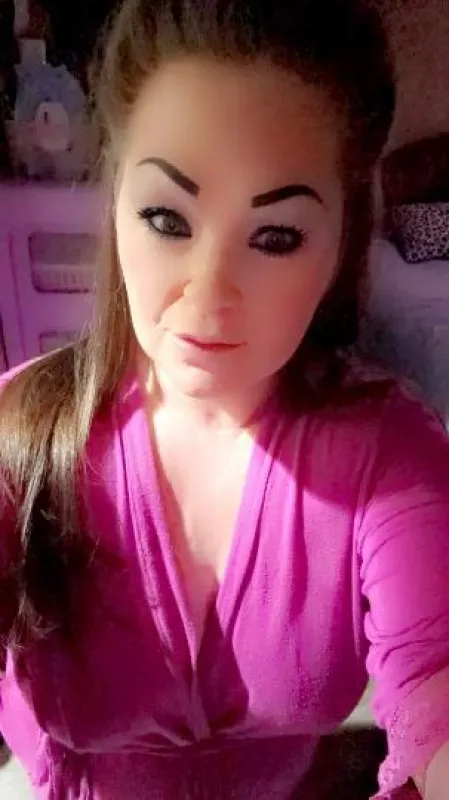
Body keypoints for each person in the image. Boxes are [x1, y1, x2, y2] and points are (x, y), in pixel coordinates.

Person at [0, 0, 449, 797]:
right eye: (166, 218)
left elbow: (435, 683)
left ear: (339, 243)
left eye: (275, 237)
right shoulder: (18, 437)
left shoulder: (389, 453)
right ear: (115, 206)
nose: (208, 297)